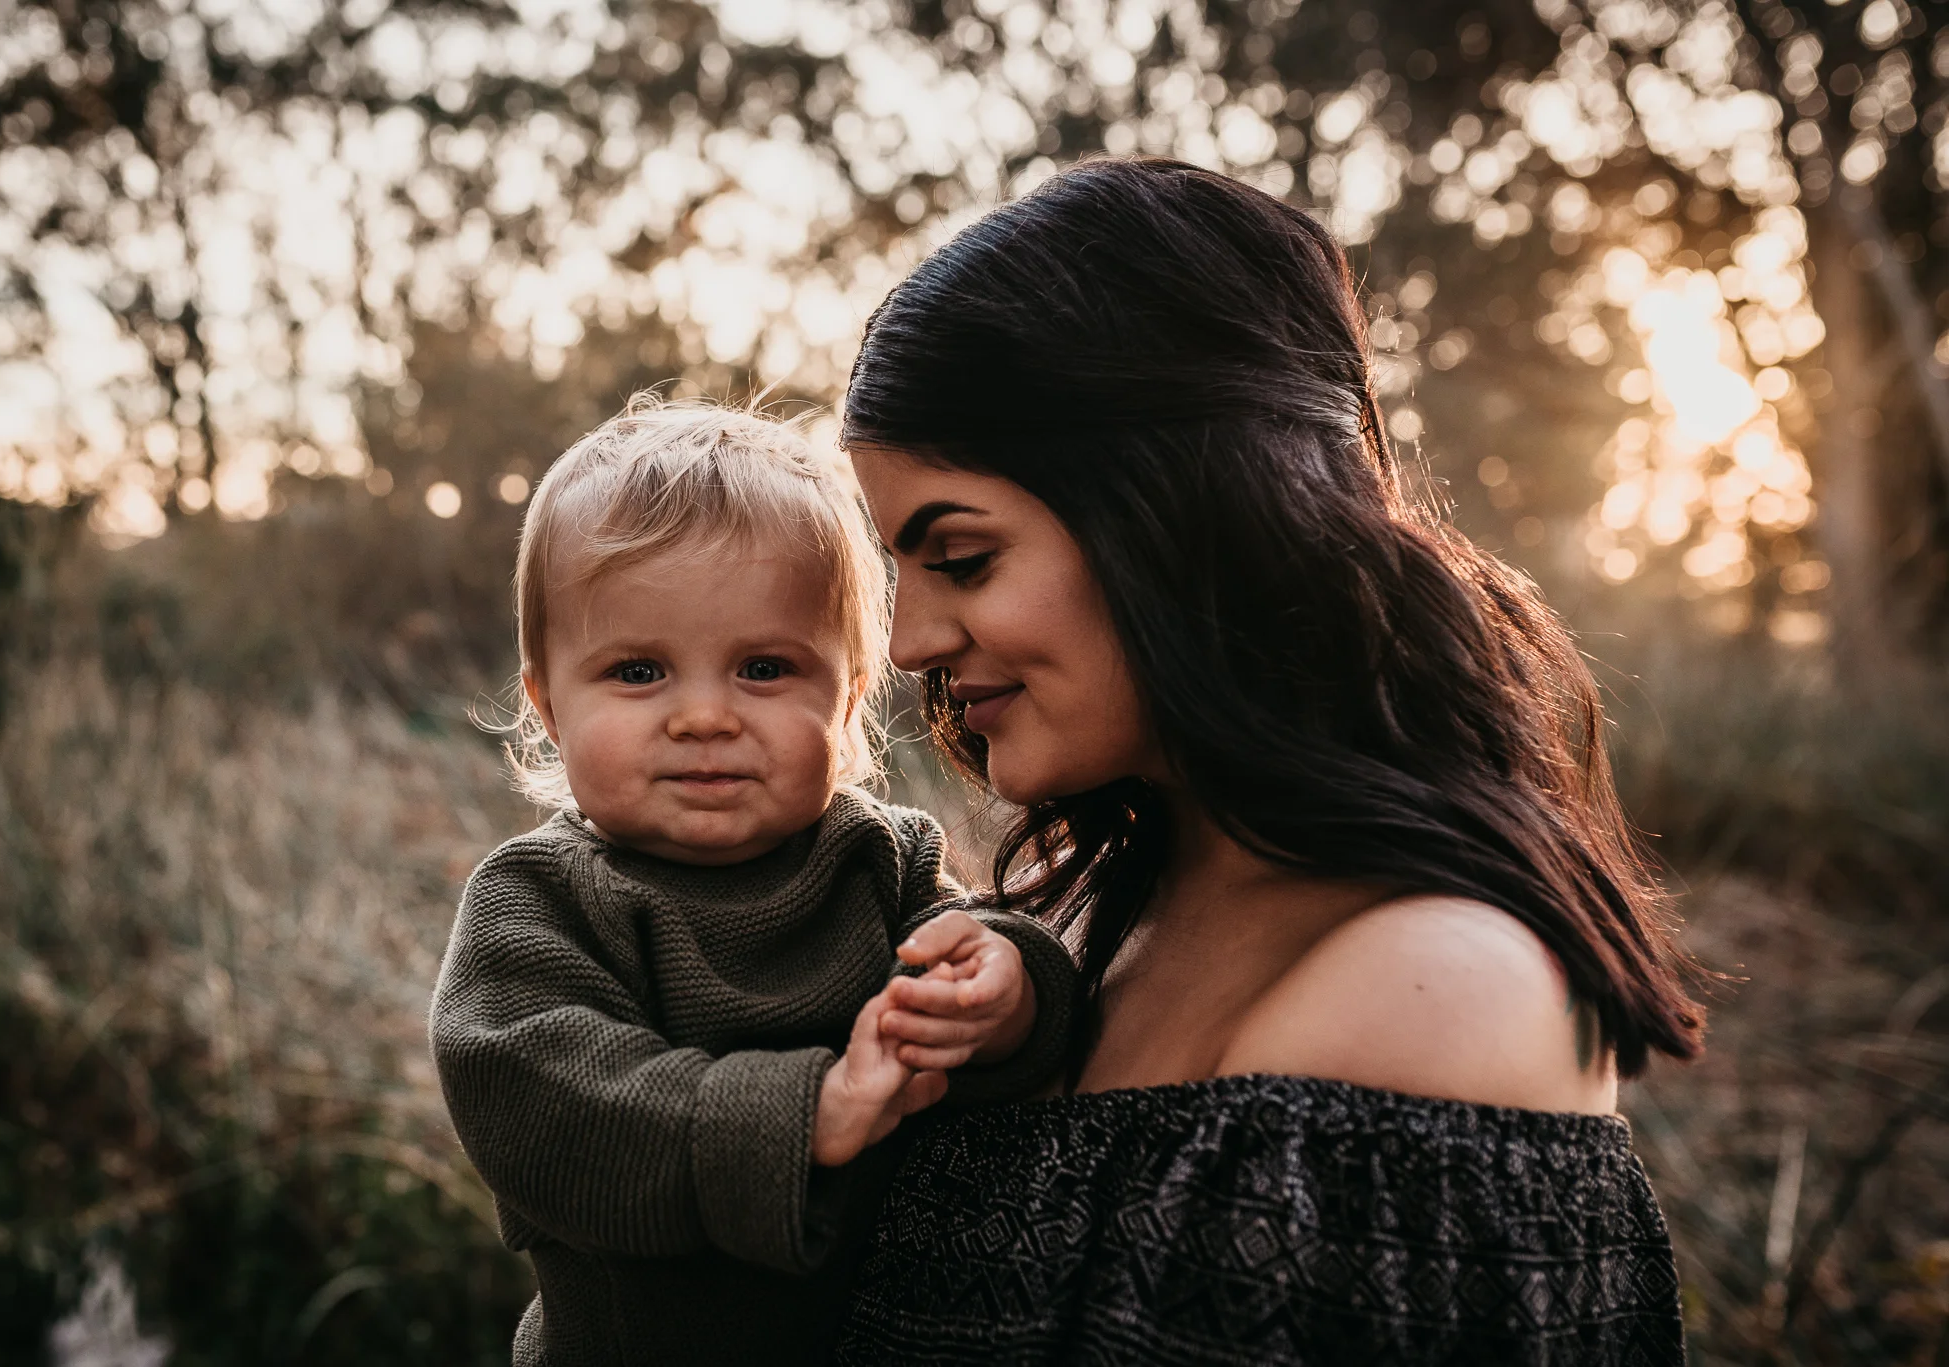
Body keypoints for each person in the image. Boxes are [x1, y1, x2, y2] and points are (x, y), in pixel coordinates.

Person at [833, 158, 1702, 1365]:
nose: (909, 640)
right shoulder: (1066, 928)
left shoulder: (1440, 989)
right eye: (899, 568)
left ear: (1176, 514)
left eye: (962, 556)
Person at [428, 402, 1077, 1367]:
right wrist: (810, 1111)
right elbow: (542, 1103)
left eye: (764, 668)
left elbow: (979, 981)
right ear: (551, 704)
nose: (703, 716)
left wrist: (1006, 988)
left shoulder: (884, 860)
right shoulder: (540, 900)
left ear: (847, 697)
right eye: (640, 670)